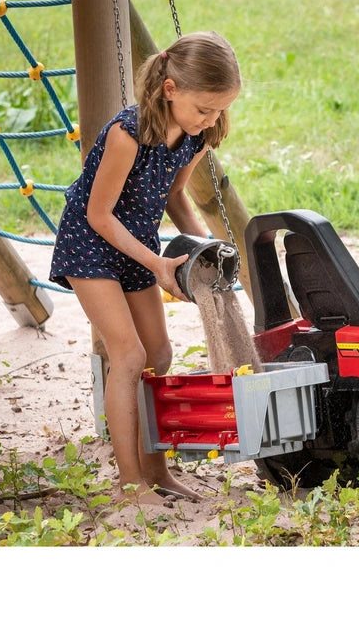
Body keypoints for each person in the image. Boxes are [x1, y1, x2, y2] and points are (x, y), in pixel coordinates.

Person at [50, 31, 241, 506]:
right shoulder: (127, 134)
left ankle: (157, 472)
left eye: (220, 110)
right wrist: (156, 263)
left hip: (137, 243)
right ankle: (130, 483)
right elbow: (98, 214)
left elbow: (175, 194)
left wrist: (203, 247)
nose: (211, 120)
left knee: (159, 353)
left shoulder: (197, 135)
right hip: (90, 243)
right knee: (129, 356)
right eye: (204, 109)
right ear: (170, 89)